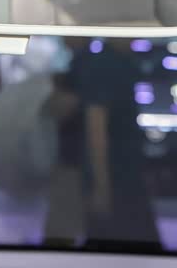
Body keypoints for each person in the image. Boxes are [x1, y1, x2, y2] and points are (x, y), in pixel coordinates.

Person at [78, 39, 160, 249]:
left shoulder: (123, 62)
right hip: (117, 176)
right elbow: (96, 125)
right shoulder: (106, 64)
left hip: (125, 173)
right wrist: (101, 185)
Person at [43, 37, 88, 246]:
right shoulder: (76, 63)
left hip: (73, 159)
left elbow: (64, 106)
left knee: (62, 226)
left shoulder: (82, 65)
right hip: (71, 156)